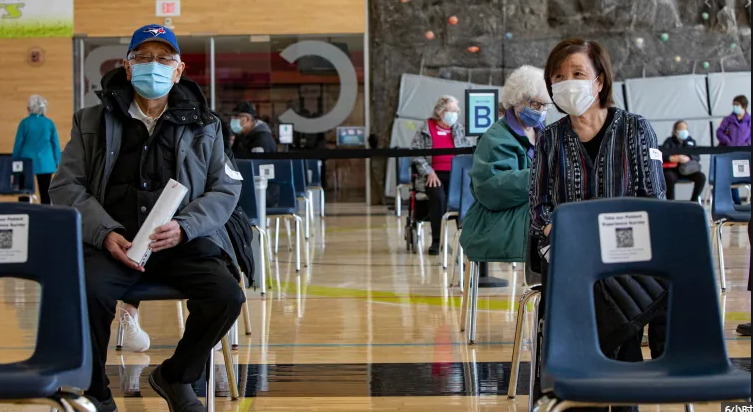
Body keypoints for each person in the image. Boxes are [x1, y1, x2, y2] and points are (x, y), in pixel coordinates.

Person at [49, 24, 244, 412]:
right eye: (142, 57)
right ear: (127, 66)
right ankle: (95, 393)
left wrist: (185, 227)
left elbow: (225, 190)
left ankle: (176, 376)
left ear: (179, 70)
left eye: (163, 59)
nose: (153, 65)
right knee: (86, 292)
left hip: (181, 244)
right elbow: (65, 186)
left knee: (226, 296)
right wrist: (105, 232)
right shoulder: (90, 121)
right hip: (113, 246)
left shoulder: (207, 125)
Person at [529, 38, 668, 411]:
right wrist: (564, 235)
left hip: (626, 250)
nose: (567, 83)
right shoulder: (550, 139)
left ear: (600, 80)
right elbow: (538, 208)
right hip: (567, 252)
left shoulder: (636, 129)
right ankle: (621, 388)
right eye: (559, 76)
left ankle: (580, 385)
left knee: (613, 283)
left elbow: (653, 201)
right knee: (602, 291)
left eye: (578, 73)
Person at [460, 65, 550, 265]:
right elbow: (491, 189)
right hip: (499, 219)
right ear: (517, 99)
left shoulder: (545, 134)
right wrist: (542, 176)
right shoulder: (495, 137)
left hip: (533, 212)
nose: (541, 111)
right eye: (535, 104)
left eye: (545, 105)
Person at [410, 95, 472, 255]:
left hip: (456, 175)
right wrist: (428, 171)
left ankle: (465, 240)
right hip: (433, 175)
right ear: (440, 111)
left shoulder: (459, 129)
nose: (454, 114)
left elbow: (467, 153)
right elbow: (416, 154)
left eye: (456, 111)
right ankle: (437, 241)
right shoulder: (426, 128)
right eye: (451, 110)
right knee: (438, 197)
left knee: (463, 197)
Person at [12, 94, 61, 204]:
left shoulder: (24, 123)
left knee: (24, 193)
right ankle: (46, 212)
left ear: (30, 108)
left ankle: (23, 211)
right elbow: (55, 145)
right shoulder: (49, 123)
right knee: (45, 193)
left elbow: (18, 144)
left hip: (26, 162)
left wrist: (14, 160)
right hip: (46, 162)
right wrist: (58, 162)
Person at [231, 101, 279, 207]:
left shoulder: (262, 140)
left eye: (236, 117)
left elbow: (258, 170)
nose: (232, 120)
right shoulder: (242, 138)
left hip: (264, 193)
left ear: (247, 119)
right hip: (247, 188)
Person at [716, 95, 751, 204]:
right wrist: (727, 141)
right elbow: (719, 132)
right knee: (731, 177)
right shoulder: (728, 120)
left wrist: (747, 143)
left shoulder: (749, 120)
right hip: (729, 152)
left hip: (744, 153)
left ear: (743, 106)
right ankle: (736, 201)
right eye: (734, 104)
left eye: (737, 105)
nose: (734, 107)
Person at [660, 120, 706, 202]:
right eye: (681, 129)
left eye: (685, 129)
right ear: (675, 131)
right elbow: (662, 155)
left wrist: (689, 157)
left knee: (701, 177)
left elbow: (697, 157)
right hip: (673, 170)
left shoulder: (691, 141)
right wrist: (672, 158)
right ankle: (671, 203)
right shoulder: (669, 141)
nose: (684, 131)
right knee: (668, 177)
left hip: (688, 170)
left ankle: (693, 202)